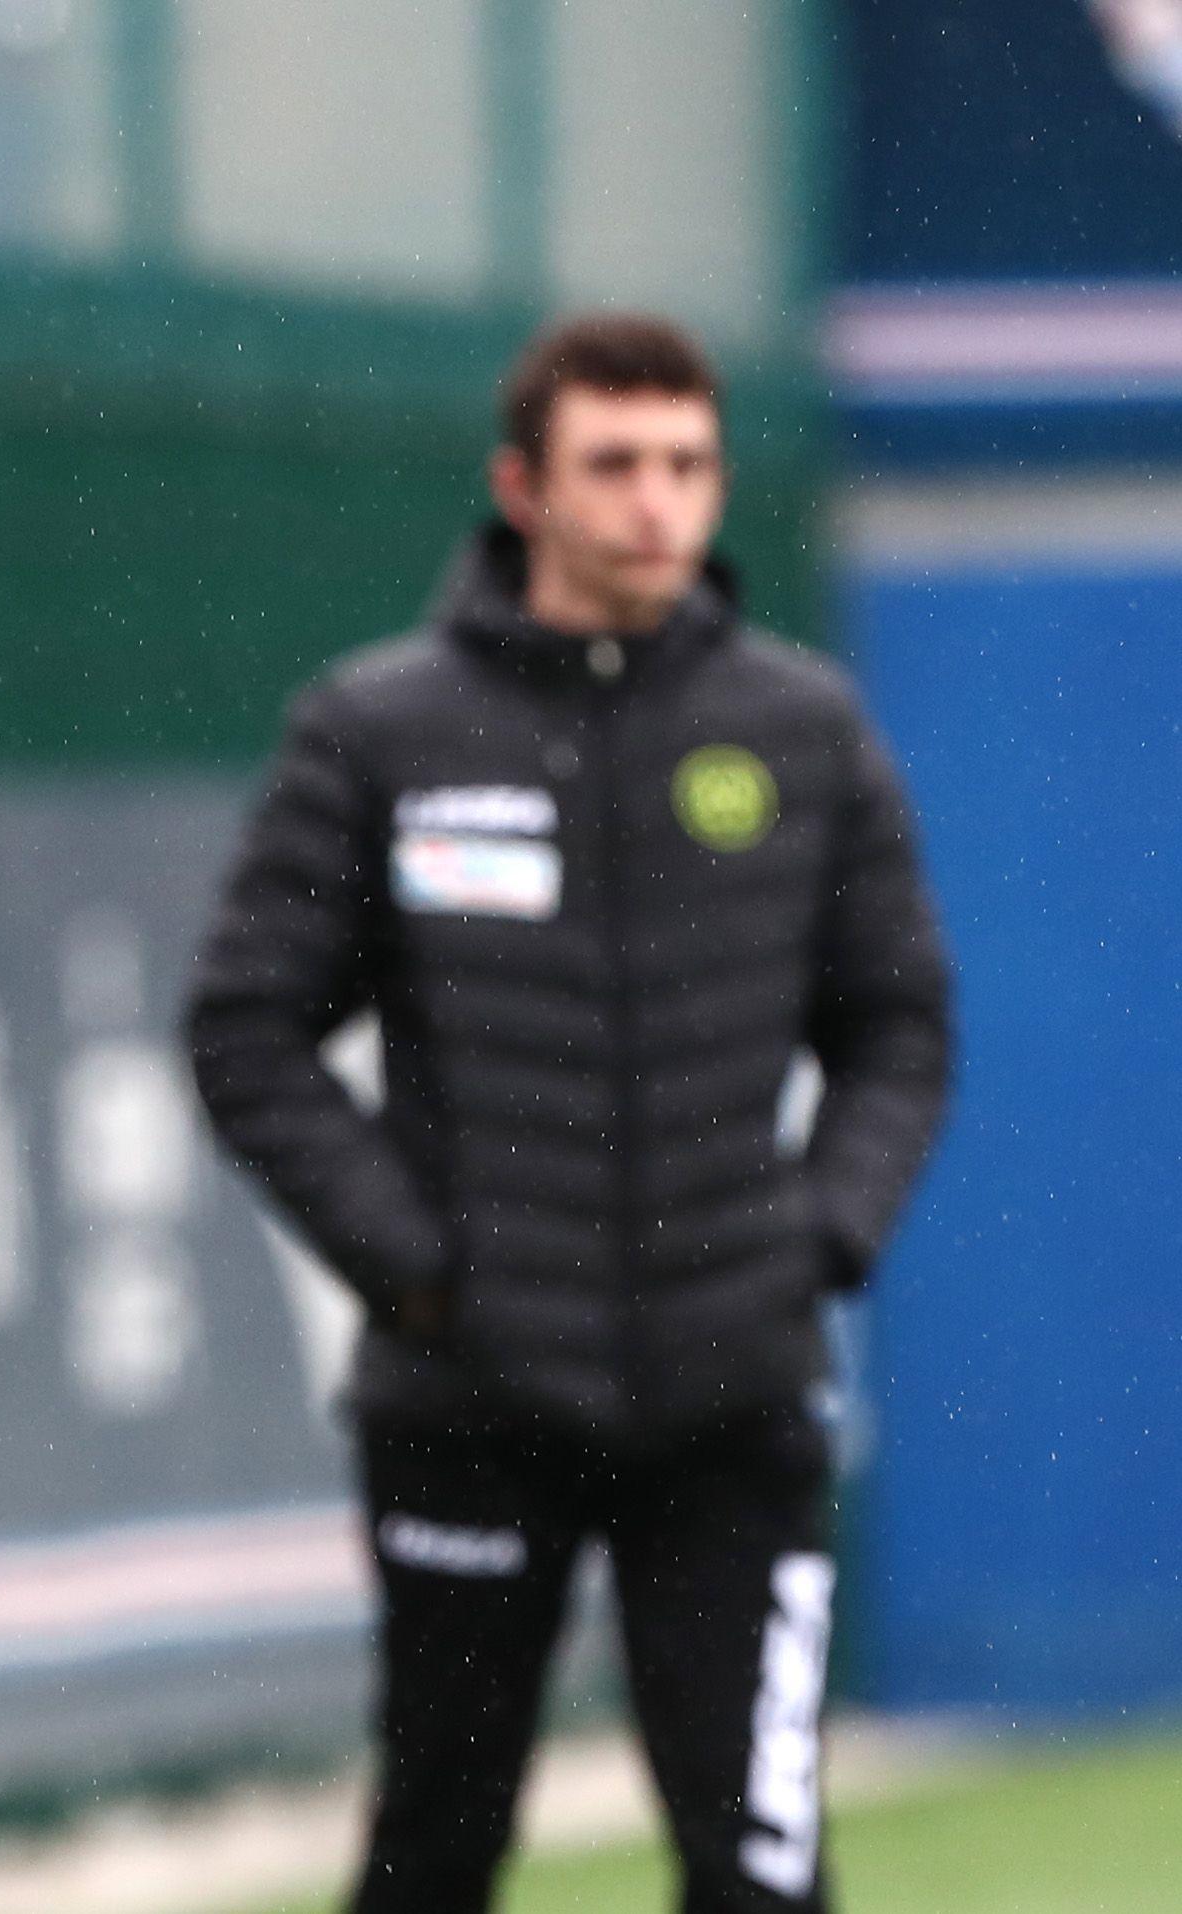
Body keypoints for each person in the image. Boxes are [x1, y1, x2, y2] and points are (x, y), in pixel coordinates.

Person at [186, 314, 952, 1912]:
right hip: (471, 1400)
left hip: (734, 1411)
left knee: (762, 1875)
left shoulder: (802, 732)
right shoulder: (380, 729)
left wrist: (820, 1235)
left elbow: (900, 1024)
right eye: (616, 465)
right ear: (523, 486)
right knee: (437, 1859)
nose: (657, 504)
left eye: (688, 465)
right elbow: (245, 1025)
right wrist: (414, 1265)